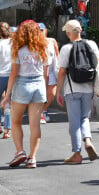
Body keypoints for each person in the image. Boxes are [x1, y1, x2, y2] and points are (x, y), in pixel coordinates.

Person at [0, 20, 51, 168]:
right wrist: (46, 91)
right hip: (39, 85)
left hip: (22, 85)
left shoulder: (19, 50)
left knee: (16, 121)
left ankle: (20, 151)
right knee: (35, 125)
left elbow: (14, 74)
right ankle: (32, 158)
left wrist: (7, 94)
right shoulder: (43, 49)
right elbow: (46, 74)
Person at [55, 20, 99, 164]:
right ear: (80, 31)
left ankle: (76, 153)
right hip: (88, 88)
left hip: (72, 89)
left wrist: (58, 91)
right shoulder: (91, 44)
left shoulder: (66, 48)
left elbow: (62, 71)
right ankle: (87, 140)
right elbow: (97, 63)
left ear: (68, 33)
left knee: (74, 122)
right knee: (84, 118)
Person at [38, 23, 59, 124]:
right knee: (41, 93)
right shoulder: (34, 42)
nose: (40, 32)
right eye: (38, 30)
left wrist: (59, 68)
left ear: (45, 30)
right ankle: (40, 114)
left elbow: (57, 55)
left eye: (42, 30)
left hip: (51, 70)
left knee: (52, 93)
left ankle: (44, 110)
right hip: (38, 71)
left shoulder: (52, 41)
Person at [0, 22, 12, 139]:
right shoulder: (14, 44)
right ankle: (7, 130)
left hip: (0, 75)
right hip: (11, 76)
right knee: (9, 103)